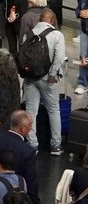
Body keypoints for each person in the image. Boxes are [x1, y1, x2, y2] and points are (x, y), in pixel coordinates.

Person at [21, 9, 68, 156]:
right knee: (53, 110)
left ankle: (32, 144)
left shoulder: (28, 34)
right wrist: (52, 74)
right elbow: (59, 57)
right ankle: (55, 145)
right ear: (53, 21)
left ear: (40, 19)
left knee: (31, 111)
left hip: (30, 77)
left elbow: (22, 56)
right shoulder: (57, 35)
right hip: (48, 79)